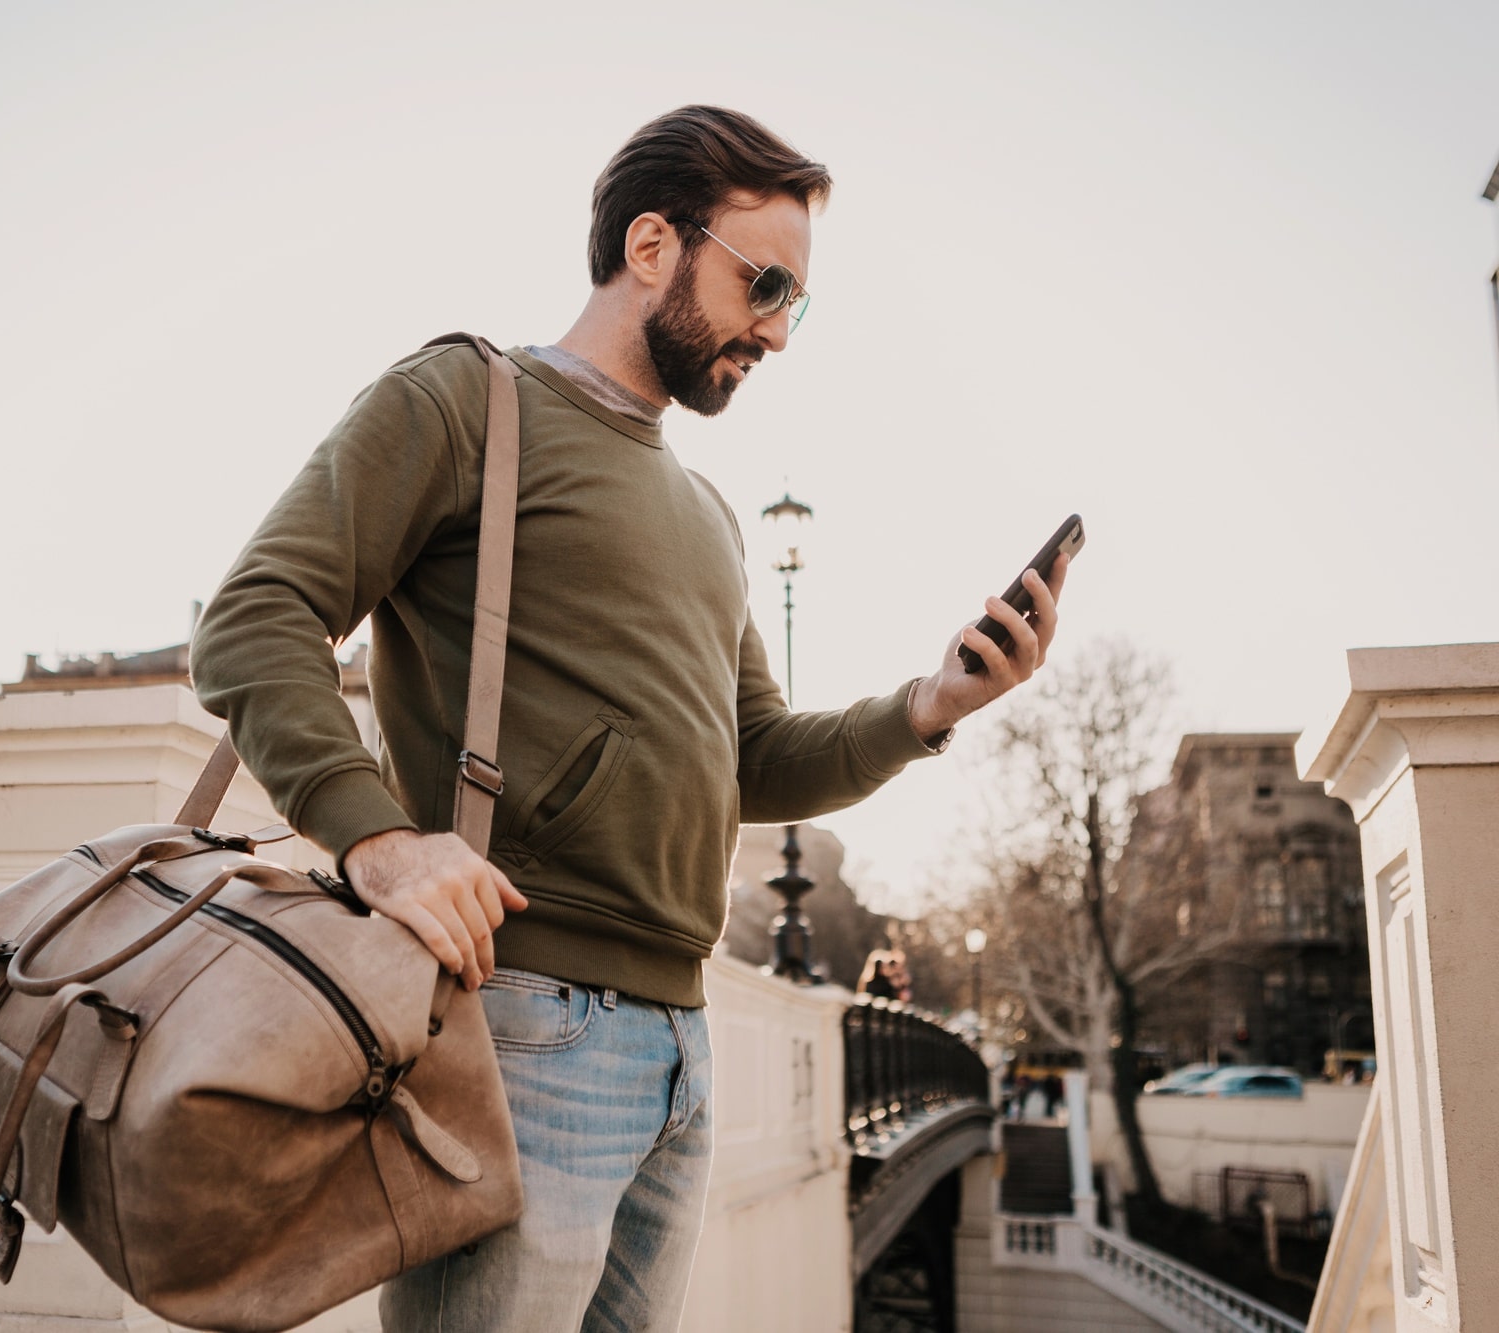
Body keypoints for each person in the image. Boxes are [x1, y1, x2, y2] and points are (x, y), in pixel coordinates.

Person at [190, 104, 1068, 1333]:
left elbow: (752, 755)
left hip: (682, 1046)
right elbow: (252, 617)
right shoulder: (463, 400)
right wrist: (377, 840)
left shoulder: (708, 514)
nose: (775, 330)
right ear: (650, 244)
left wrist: (927, 706)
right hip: (518, 1024)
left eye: (795, 304)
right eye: (763, 285)